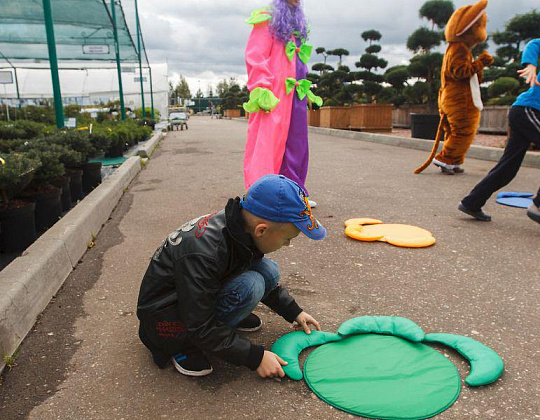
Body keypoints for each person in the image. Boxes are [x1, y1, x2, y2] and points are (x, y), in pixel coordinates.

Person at [137, 174, 326, 378]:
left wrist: (294, 311)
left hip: (193, 300)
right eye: (288, 239)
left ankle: (228, 320)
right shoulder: (206, 253)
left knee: (268, 270)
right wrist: (255, 357)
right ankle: (183, 347)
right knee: (251, 285)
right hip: (165, 324)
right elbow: (200, 325)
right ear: (261, 230)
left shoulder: (239, 227)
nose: (288, 244)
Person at [243, 0, 322, 206]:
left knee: (296, 144)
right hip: (274, 93)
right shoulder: (267, 17)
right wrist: (261, 87)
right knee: (268, 144)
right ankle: (262, 194)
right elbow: (256, 55)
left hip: (295, 94)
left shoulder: (298, 22)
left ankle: (293, 194)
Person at [459, 38, 540, 224]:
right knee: (508, 165)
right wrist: (531, 65)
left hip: (525, 113)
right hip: (529, 110)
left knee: (508, 167)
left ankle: (472, 202)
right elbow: (535, 44)